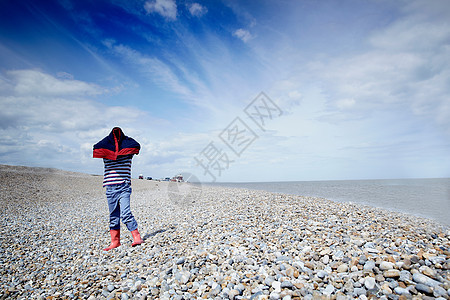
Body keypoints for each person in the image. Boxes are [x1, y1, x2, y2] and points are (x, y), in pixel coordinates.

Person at [93, 127, 144, 251]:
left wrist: (123, 144)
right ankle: (115, 242)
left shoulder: (128, 154)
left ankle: (137, 236)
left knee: (126, 213)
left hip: (124, 186)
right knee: (113, 216)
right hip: (109, 188)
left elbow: (136, 145)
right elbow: (96, 147)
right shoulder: (106, 153)